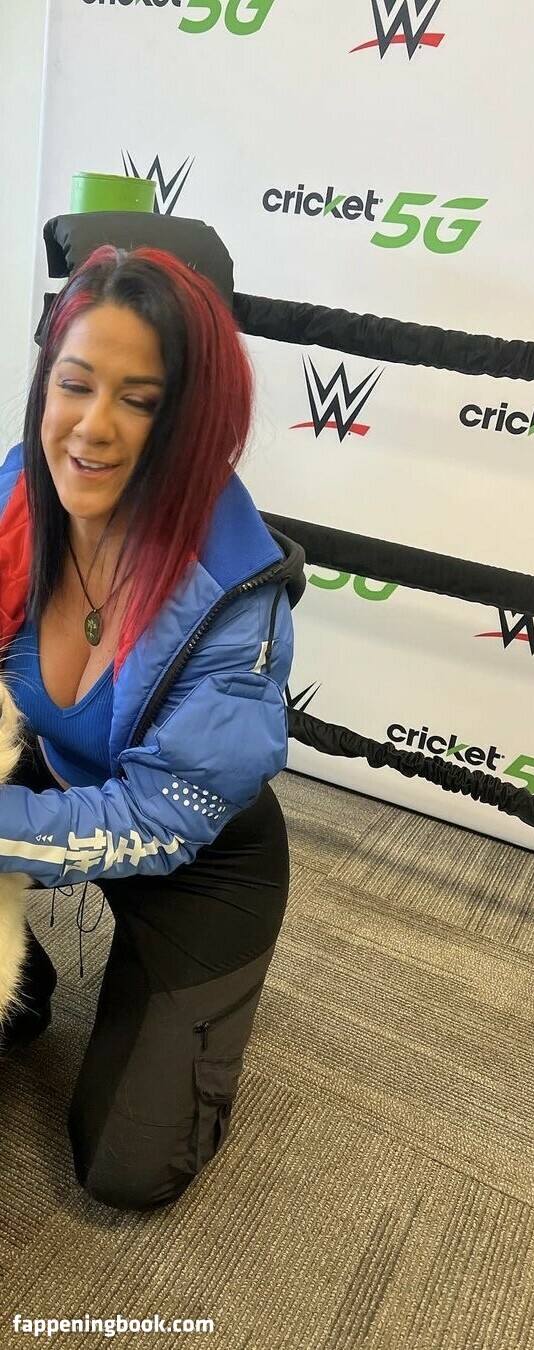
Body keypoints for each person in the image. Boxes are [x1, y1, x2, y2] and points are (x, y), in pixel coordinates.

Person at [0, 243, 305, 1211]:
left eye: (138, 400)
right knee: (10, 1013)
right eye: (74, 384)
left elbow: (160, 817)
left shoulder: (237, 596)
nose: (91, 427)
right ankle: (26, 984)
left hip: (194, 847)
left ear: (190, 422)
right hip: (49, 771)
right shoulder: (18, 492)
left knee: (127, 1170)